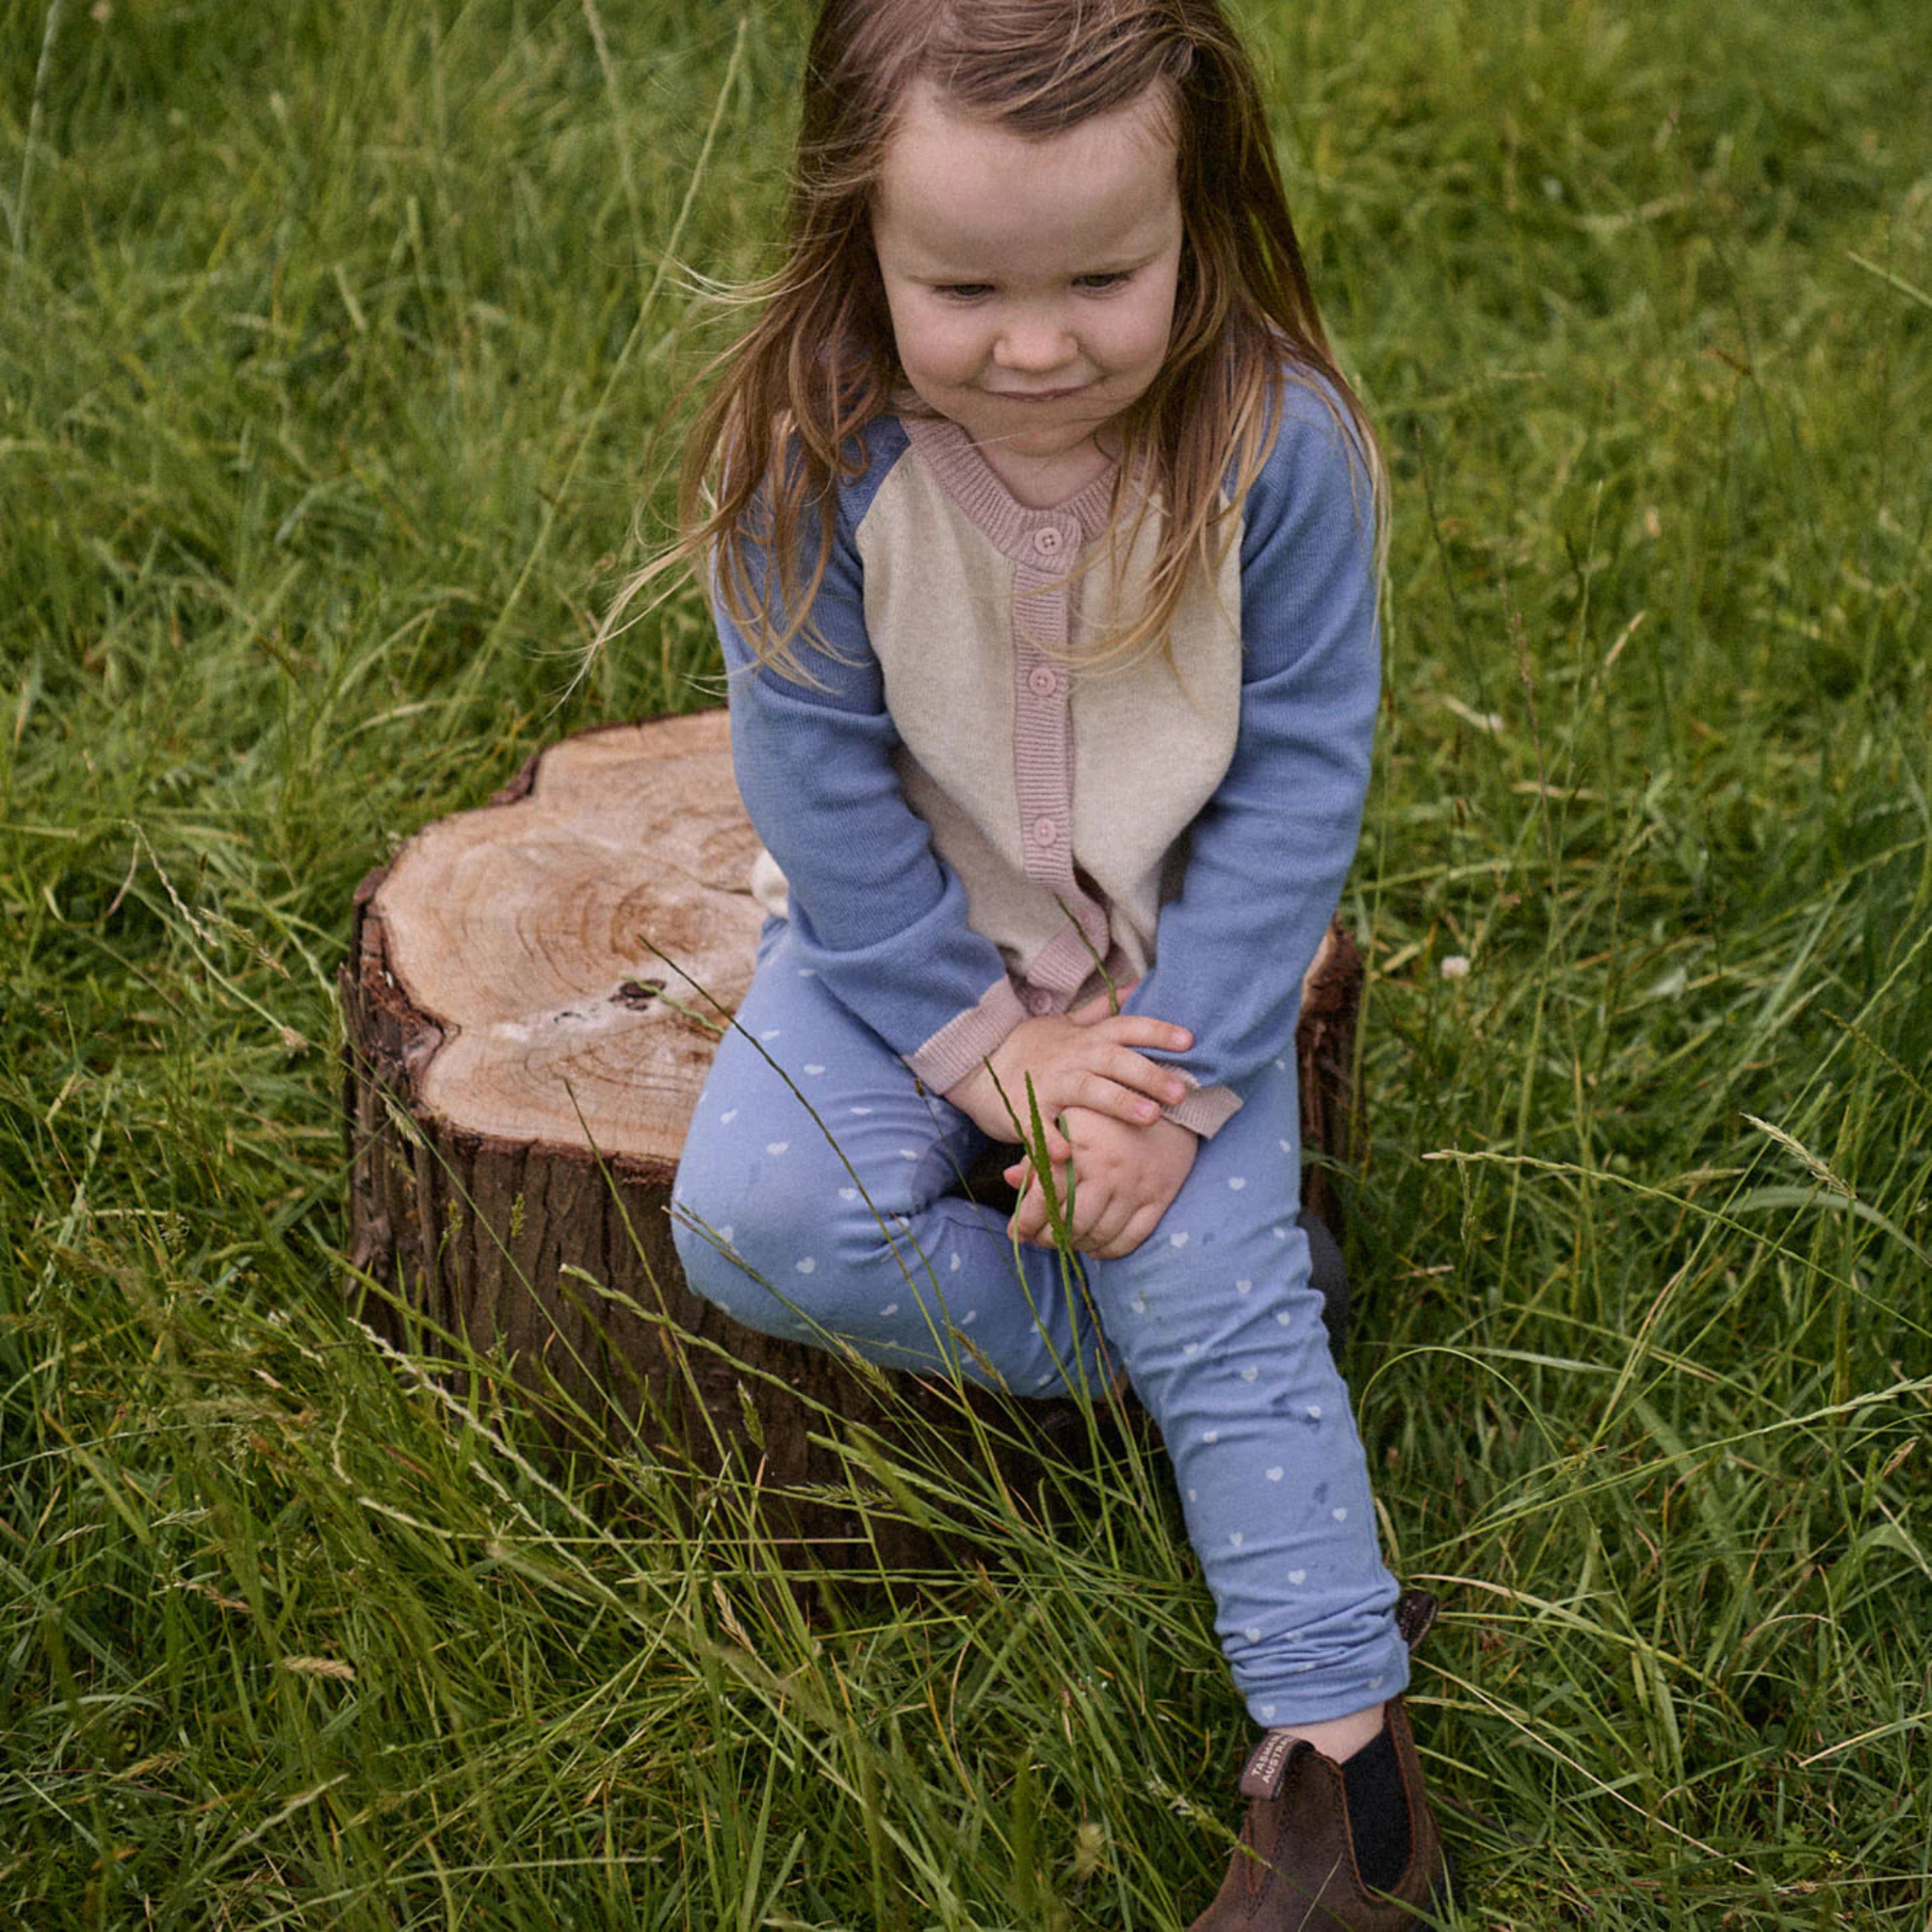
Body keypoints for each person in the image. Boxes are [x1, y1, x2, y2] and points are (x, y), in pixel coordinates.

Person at [628, 1, 1450, 1921]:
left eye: (1102, 273)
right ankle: (1200, 1365)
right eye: (965, 283)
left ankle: (1346, 1759)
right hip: (896, 944)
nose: (1035, 337)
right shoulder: (815, 452)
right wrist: (986, 1052)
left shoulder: (1275, 450)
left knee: (1199, 1243)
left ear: (1198, 217)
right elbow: (818, 784)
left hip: (1177, 960)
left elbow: (1302, 763)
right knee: (749, 1221)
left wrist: (1180, 1071)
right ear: (860, 242)